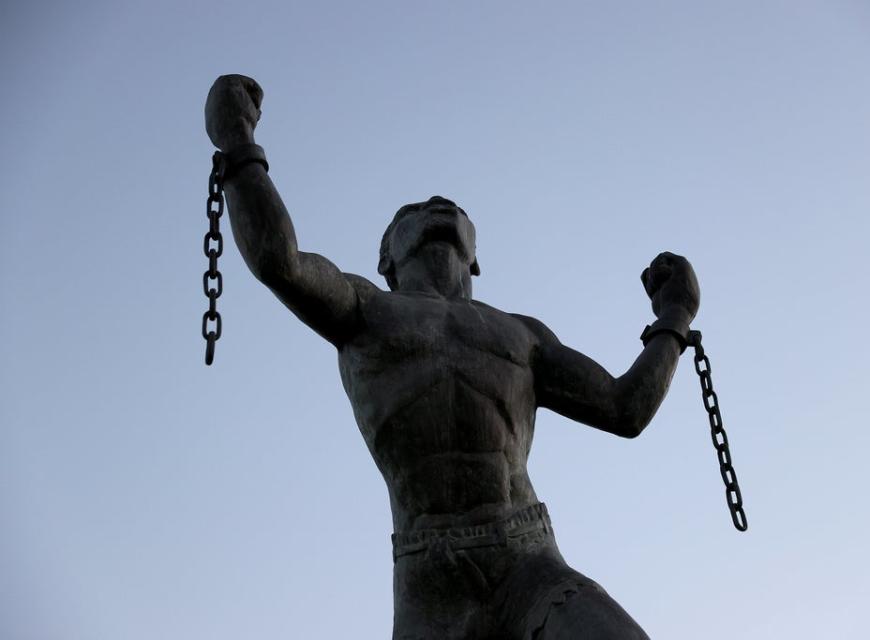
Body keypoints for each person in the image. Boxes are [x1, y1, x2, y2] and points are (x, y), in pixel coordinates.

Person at [205, 74, 701, 639]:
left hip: (529, 560)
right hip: (428, 579)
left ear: (476, 256)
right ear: (387, 258)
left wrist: (674, 319)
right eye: (412, 210)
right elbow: (281, 262)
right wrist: (238, 141)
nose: (437, 206)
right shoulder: (364, 309)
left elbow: (623, 408)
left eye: (451, 207)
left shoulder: (523, 335)